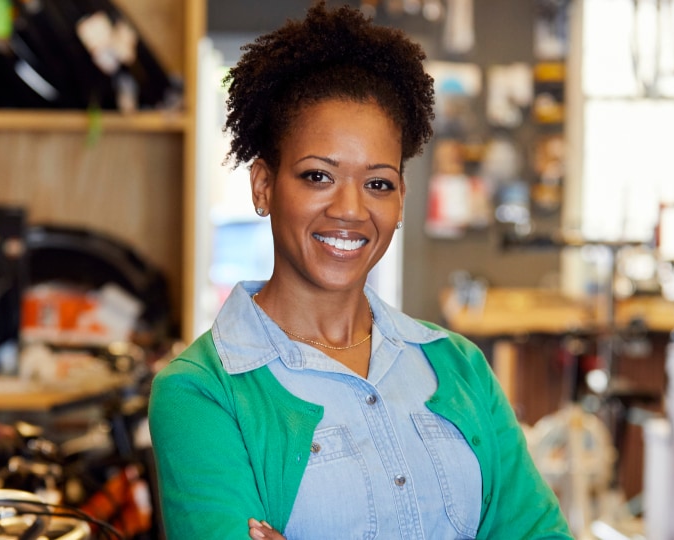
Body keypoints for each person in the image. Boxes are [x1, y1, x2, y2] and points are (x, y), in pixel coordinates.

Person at [148, 3, 573, 539]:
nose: (350, 209)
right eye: (318, 175)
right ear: (263, 186)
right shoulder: (203, 394)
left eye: (378, 183)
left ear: (400, 199)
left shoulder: (458, 367)